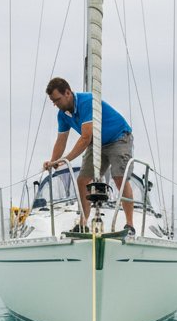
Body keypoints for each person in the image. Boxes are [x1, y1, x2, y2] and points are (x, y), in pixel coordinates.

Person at [42, 77, 136, 235]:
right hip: (96, 142)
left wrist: (65, 160)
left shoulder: (88, 102)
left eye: (57, 100)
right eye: (52, 101)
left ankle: (130, 225)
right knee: (82, 180)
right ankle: (83, 223)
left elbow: (85, 137)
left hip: (118, 137)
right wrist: (53, 162)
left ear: (67, 93)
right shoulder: (62, 114)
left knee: (119, 177)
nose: (55, 104)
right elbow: (61, 140)